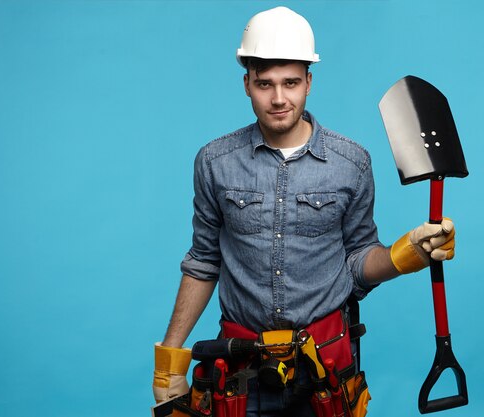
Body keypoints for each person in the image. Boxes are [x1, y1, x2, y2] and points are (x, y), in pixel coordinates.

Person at [152, 6, 456, 417]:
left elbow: (358, 262)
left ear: (309, 82)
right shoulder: (214, 162)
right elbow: (204, 261)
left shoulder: (352, 163)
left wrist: (408, 255)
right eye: (265, 84)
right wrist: (170, 359)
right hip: (241, 371)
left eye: (291, 82)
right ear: (246, 84)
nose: (279, 98)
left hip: (325, 371)